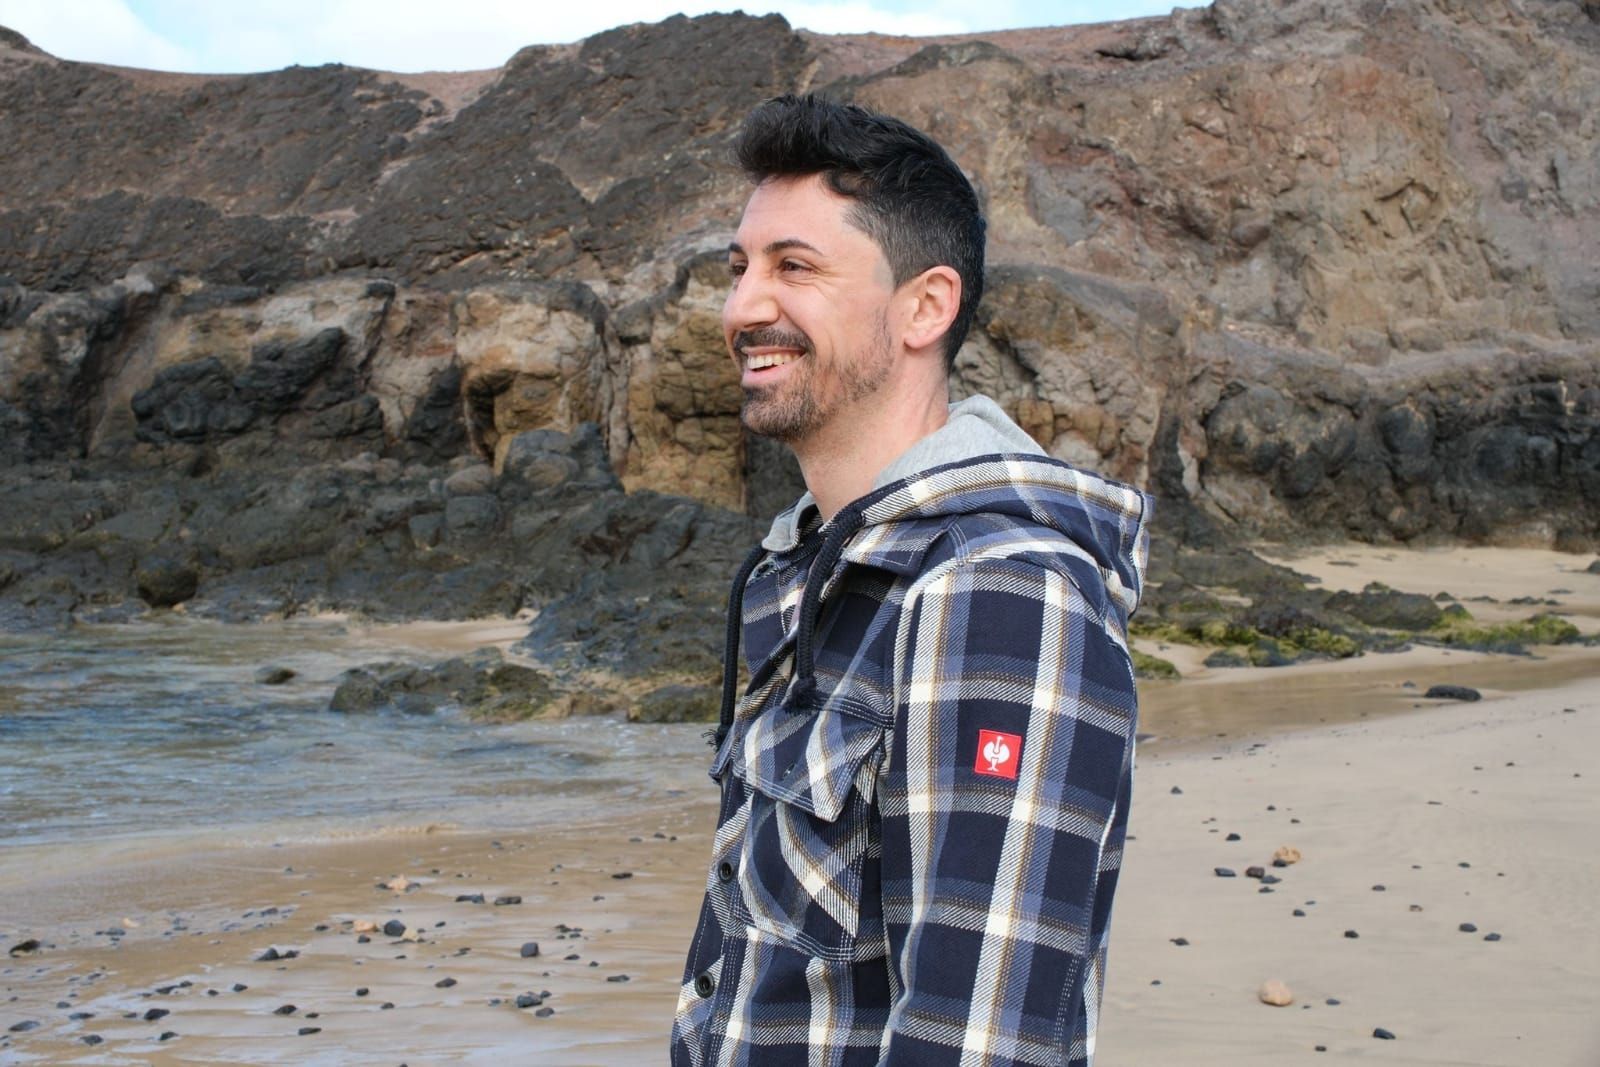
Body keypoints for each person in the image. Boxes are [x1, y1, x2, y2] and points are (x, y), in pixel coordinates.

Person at [670, 93, 1151, 1067]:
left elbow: (980, 1037)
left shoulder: (999, 595)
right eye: (739, 267)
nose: (742, 307)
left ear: (925, 306)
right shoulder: (827, 571)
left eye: (793, 266)